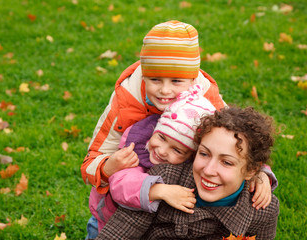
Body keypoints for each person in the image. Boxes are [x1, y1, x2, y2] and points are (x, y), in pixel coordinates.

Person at [82, 20, 225, 239]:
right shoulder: (126, 100)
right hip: (116, 216)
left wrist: (260, 172)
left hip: (173, 215)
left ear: (192, 78)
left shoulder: (206, 99)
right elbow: (90, 162)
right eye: (155, 79)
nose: (165, 91)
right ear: (144, 74)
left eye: (177, 81)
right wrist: (109, 166)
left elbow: (238, 141)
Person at [89, 86, 277, 233]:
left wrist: (262, 174)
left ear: (190, 154)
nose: (162, 152)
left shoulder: (259, 206)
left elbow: (241, 152)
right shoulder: (138, 156)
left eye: (177, 150)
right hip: (106, 217)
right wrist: (158, 190)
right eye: (161, 138)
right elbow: (120, 186)